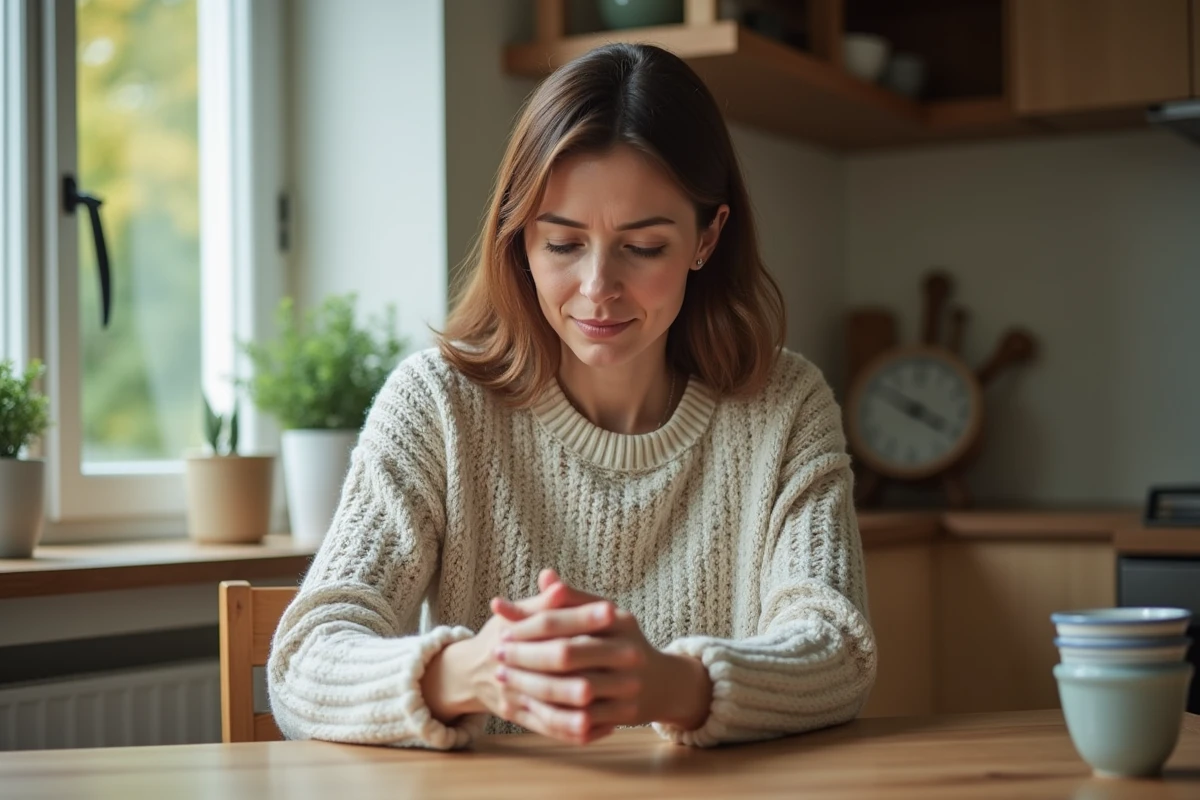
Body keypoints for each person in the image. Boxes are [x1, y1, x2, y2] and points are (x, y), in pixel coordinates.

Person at [267, 42, 876, 751]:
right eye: (561, 244)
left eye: (643, 247)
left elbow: (838, 652)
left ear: (707, 237)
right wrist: (470, 672)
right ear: (519, 237)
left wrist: (668, 684)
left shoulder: (787, 404)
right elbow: (304, 660)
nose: (597, 287)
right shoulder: (435, 405)